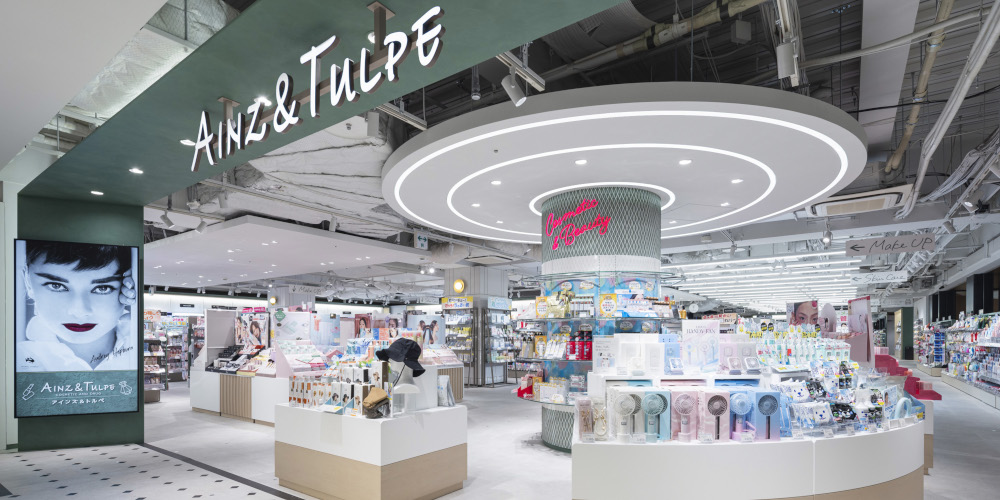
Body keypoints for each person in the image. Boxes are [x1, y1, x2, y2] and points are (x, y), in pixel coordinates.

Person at [16, 240, 136, 372]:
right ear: (27, 282)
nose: (79, 311)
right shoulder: (15, 359)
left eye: (102, 288)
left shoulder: (138, 346)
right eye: (56, 286)